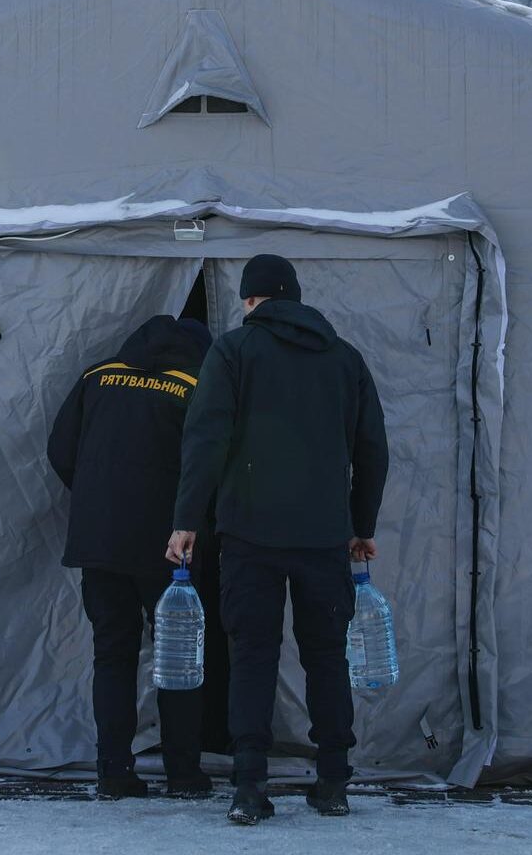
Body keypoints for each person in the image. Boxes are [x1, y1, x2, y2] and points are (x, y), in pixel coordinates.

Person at [167, 254, 387, 825]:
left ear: (249, 300)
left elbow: (206, 438)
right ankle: (334, 780)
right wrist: (361, 527)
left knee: (253, 657)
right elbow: (372, 451)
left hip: (249, 534)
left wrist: (186, 519)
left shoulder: (234, 351)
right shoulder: (345, 358)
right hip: (324, 536)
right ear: (295, 297)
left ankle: (248, 786)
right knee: (326, 657)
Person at [48, 314, 216, 798]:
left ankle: (114, 771)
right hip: (169, 549)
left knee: (113, 655)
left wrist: (95, 499)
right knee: (178, 656)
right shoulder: (192, 387)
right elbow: (207, 466)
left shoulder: (98, 376)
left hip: (99, 543)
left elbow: (60, 449)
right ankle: (183, 773)